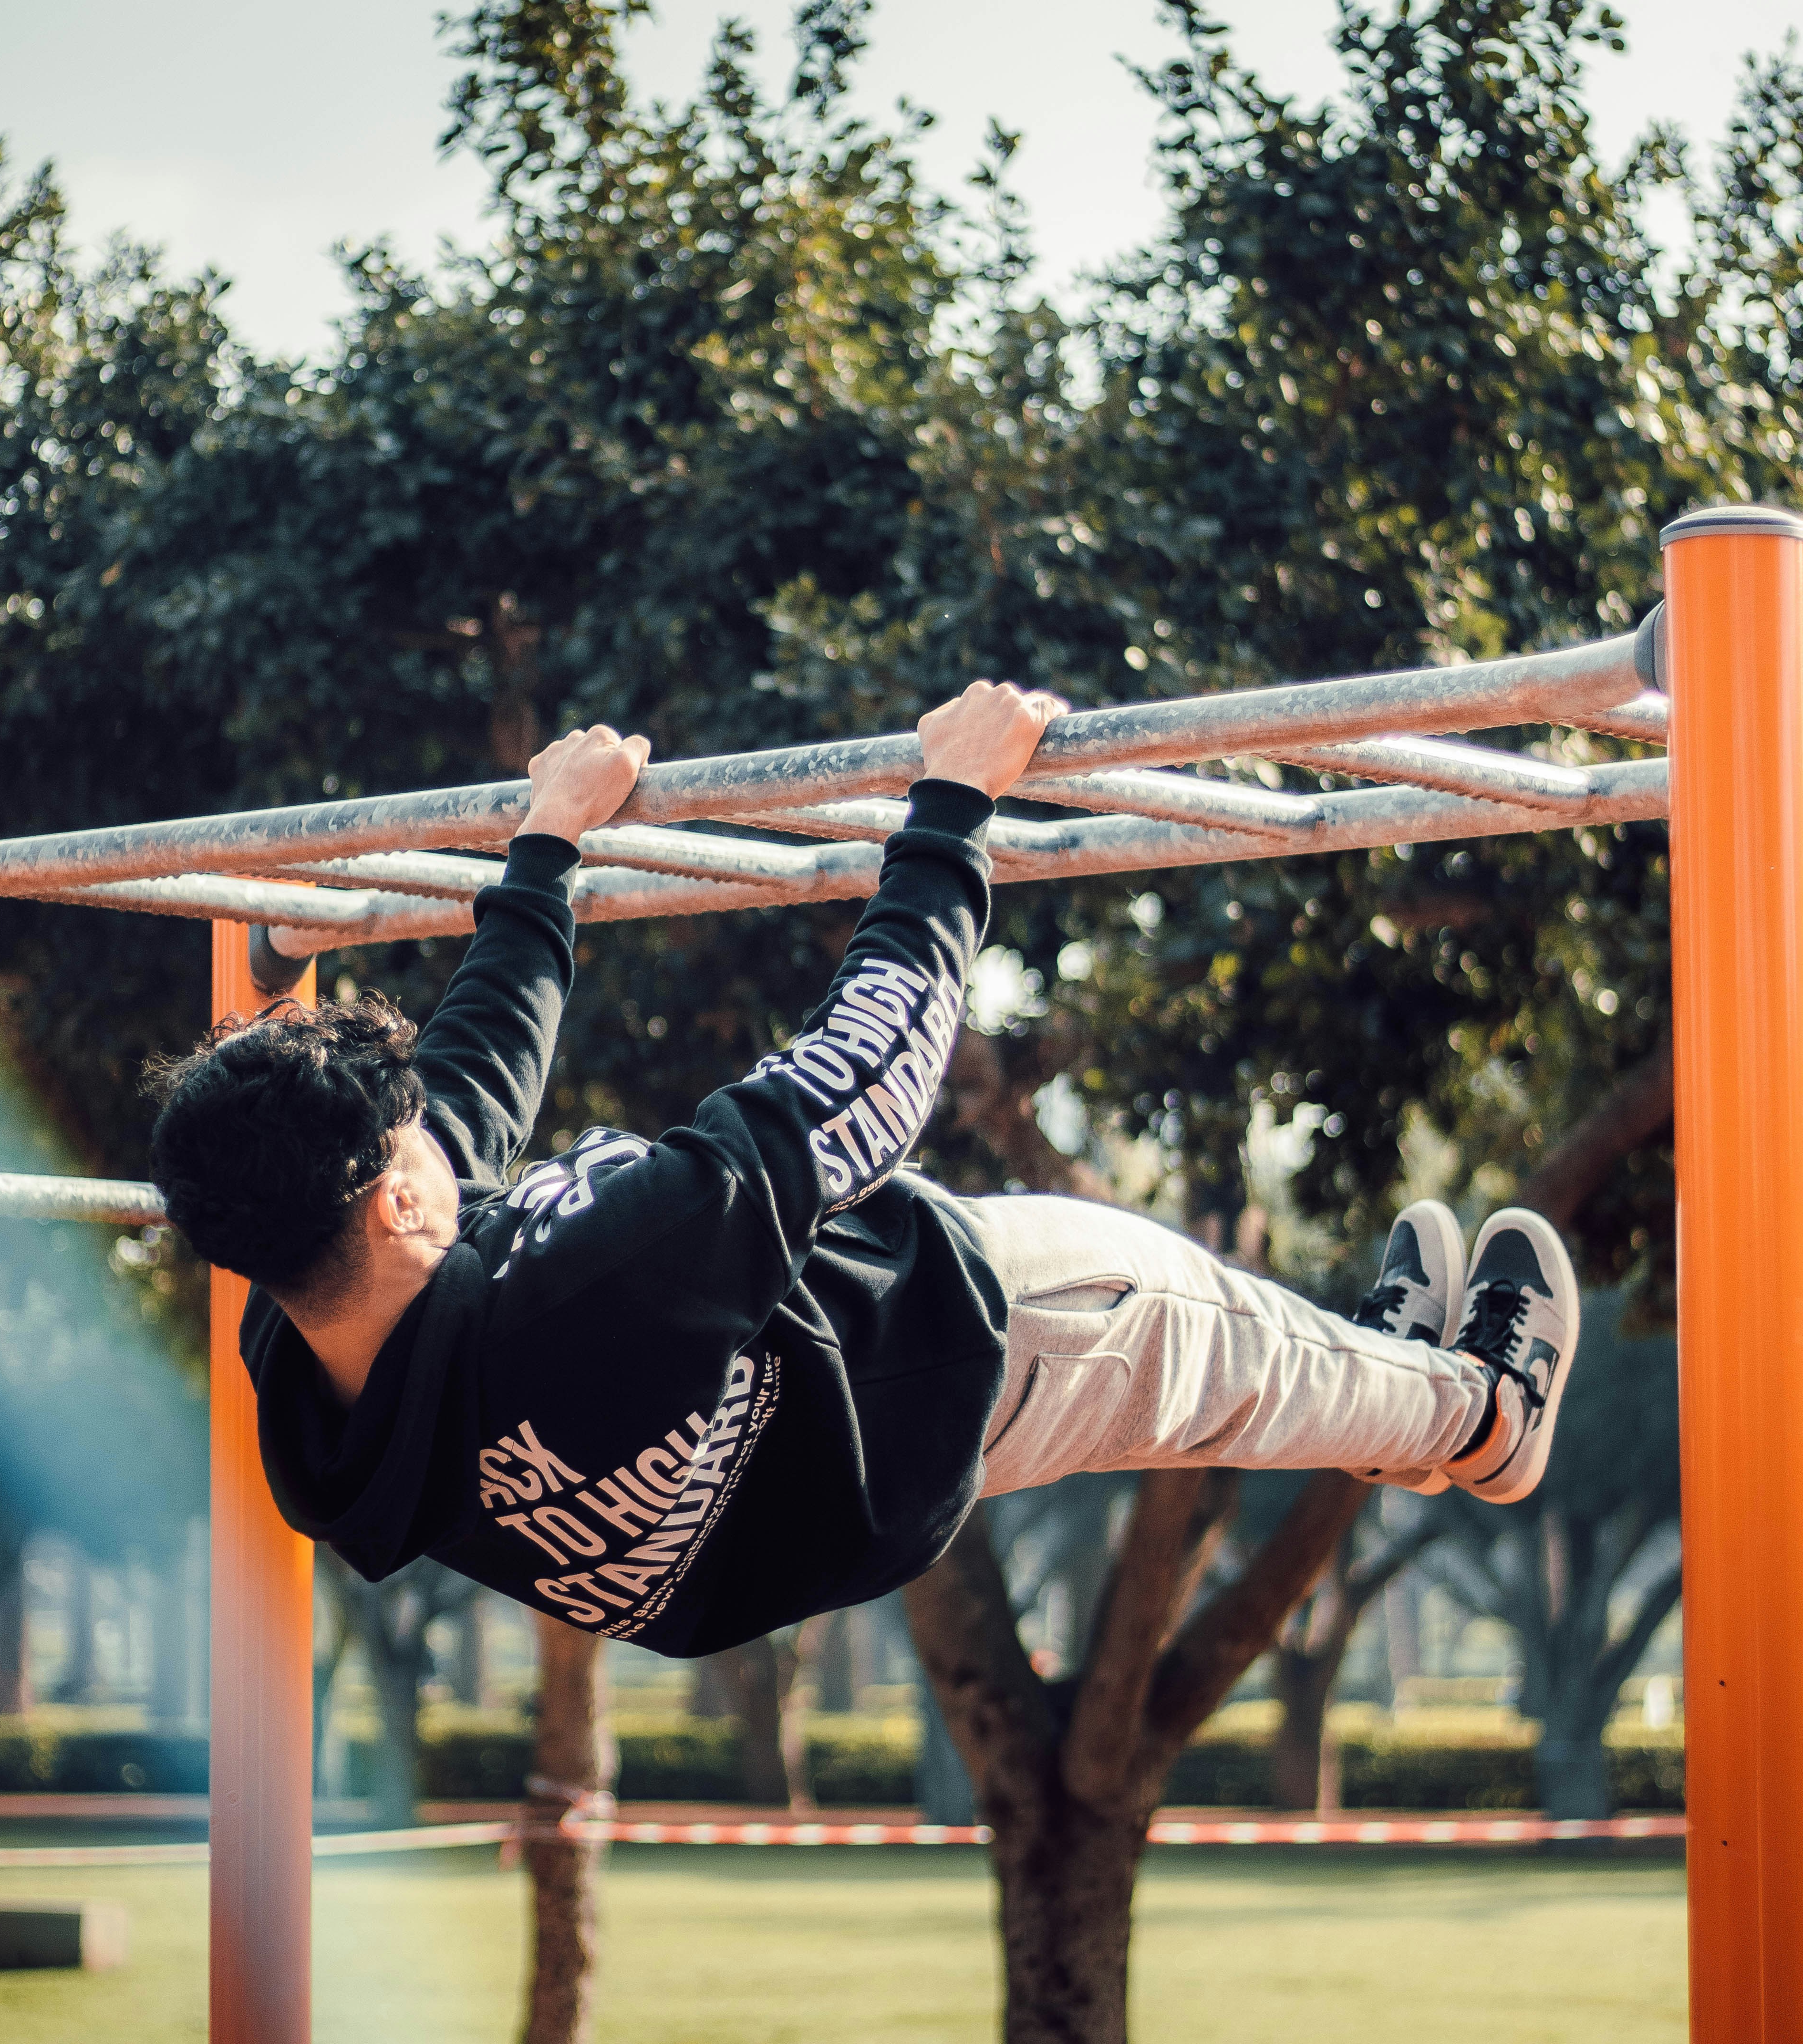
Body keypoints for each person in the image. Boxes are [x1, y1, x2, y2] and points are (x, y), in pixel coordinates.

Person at [146, 683, 1579, 1655]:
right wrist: (954, 808)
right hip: (946, 1358)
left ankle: (1395, 1385)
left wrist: (543, 852)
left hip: (815, 1487)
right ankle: (1477, 1418)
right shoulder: (594, 1289)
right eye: (411, 1154)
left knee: (1257, 1352)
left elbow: (466, 1091)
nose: (435, 1141)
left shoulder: (311, 1347)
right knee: (1202, 1327)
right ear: (396, 1204)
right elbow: (862, 1083)